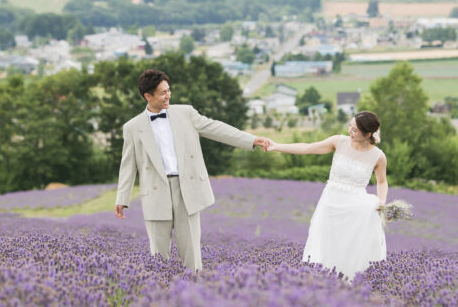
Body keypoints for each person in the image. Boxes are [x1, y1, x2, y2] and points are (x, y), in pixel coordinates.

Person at [114, 69, 271, 271]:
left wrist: (251, 140)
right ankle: (160, 289)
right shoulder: (132, 127)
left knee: (192, 256)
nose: (168, 95)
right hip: (155, 193)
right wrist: (122, 198)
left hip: (186, 189)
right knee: (158, 258)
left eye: (168, 90)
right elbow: (128, 165)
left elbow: (216, 128)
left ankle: (194, 287)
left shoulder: (186, 113)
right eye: (163, 92)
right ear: (148, 96)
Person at [267, 111, 387, 279]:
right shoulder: (339, 142)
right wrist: (277, 146)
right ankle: (323, 285)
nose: (349, 131)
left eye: (354, 130)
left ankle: (350, 286)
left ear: (368, 134)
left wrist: (382, 202)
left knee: (350, 250)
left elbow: (382, 181)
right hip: (330, 205)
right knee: (325, 246)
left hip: (356, 210)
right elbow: (307, 148)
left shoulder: (378, 156)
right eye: (350, 126)